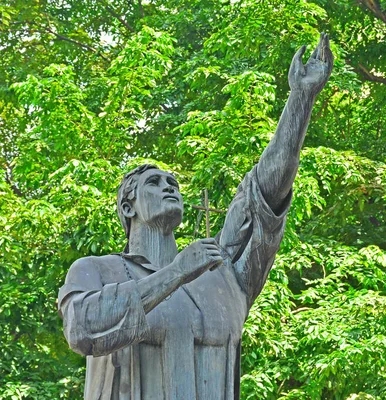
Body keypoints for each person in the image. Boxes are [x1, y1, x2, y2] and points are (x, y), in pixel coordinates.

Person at [57, 33, 332, 400]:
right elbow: (83, 330)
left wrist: (301, 97)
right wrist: (176, 273)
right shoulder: (95, 270)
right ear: (128, 207)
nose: (169, 186)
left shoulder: (223, 277)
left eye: (173, 181)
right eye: (154, 183)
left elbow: (264, 193)